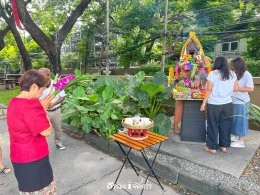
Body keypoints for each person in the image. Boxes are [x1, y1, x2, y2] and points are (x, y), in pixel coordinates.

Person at [7, 69, 56, 194]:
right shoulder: (31, 106)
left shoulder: (13, 102)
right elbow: (46, 131)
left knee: (27, 190)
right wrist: (43, 109)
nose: (42, 94)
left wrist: (39, 107)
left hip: (18, 156)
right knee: (42, 190)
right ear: (34, 87)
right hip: (34, 158)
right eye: (42, 89)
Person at [200, 56, 238, 154]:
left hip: (214, 104)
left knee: (213, 125)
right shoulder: (232, 74)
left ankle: (212, 148)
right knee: (225, 125)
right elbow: (236, 89)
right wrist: (226, 91)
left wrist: (203, 103)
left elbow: (208, 89)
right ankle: (224, 146)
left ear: (216, 63)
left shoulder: (213, 74)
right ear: (226, 63)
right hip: (228, 104)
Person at [39, 68, 66, 150]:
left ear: (48, 75)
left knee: (58, 128)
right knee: (41, 130)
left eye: (42, 75)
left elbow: (62, 97)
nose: (39, 77)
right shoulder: (38, 83)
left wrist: (52, 104)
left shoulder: (57, 84)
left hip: (55, 111)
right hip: (43, 111)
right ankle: (41, 146)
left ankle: (58, 143)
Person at [230, 57, 254, 148]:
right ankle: (237, 138)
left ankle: (241, 141)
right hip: (233, 101)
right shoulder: (234, 74)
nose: (232, 67)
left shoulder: (247, 74)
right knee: (235, 121)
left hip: (242, 101)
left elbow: (251, 89)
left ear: (238, 66)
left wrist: (237, 88)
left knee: (242, 121)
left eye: (233, 65)